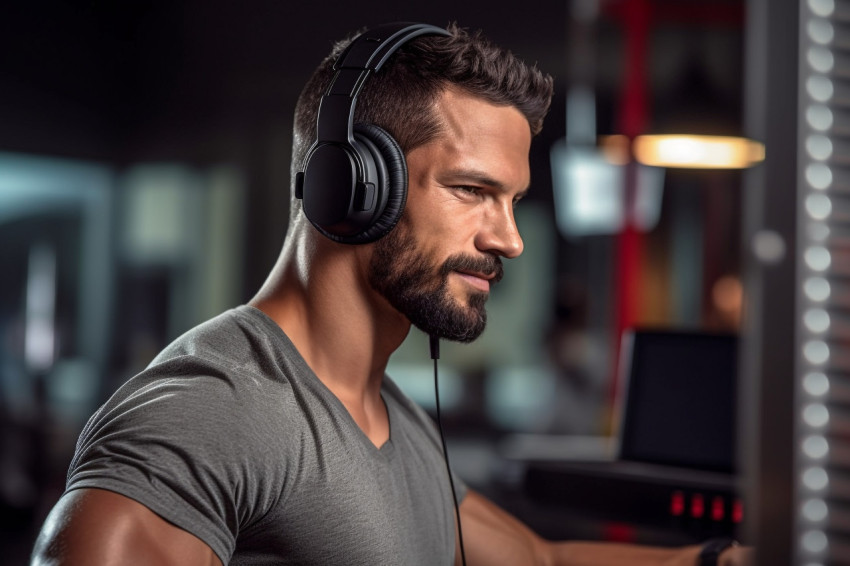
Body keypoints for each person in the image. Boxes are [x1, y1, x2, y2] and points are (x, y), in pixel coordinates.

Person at [31, 22, 751, 566]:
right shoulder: (211, 411)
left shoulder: (392, 418)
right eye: (473, 192)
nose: (510, 240)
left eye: (513, 202)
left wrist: (720, 561)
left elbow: (541, 561)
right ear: (352, 186)